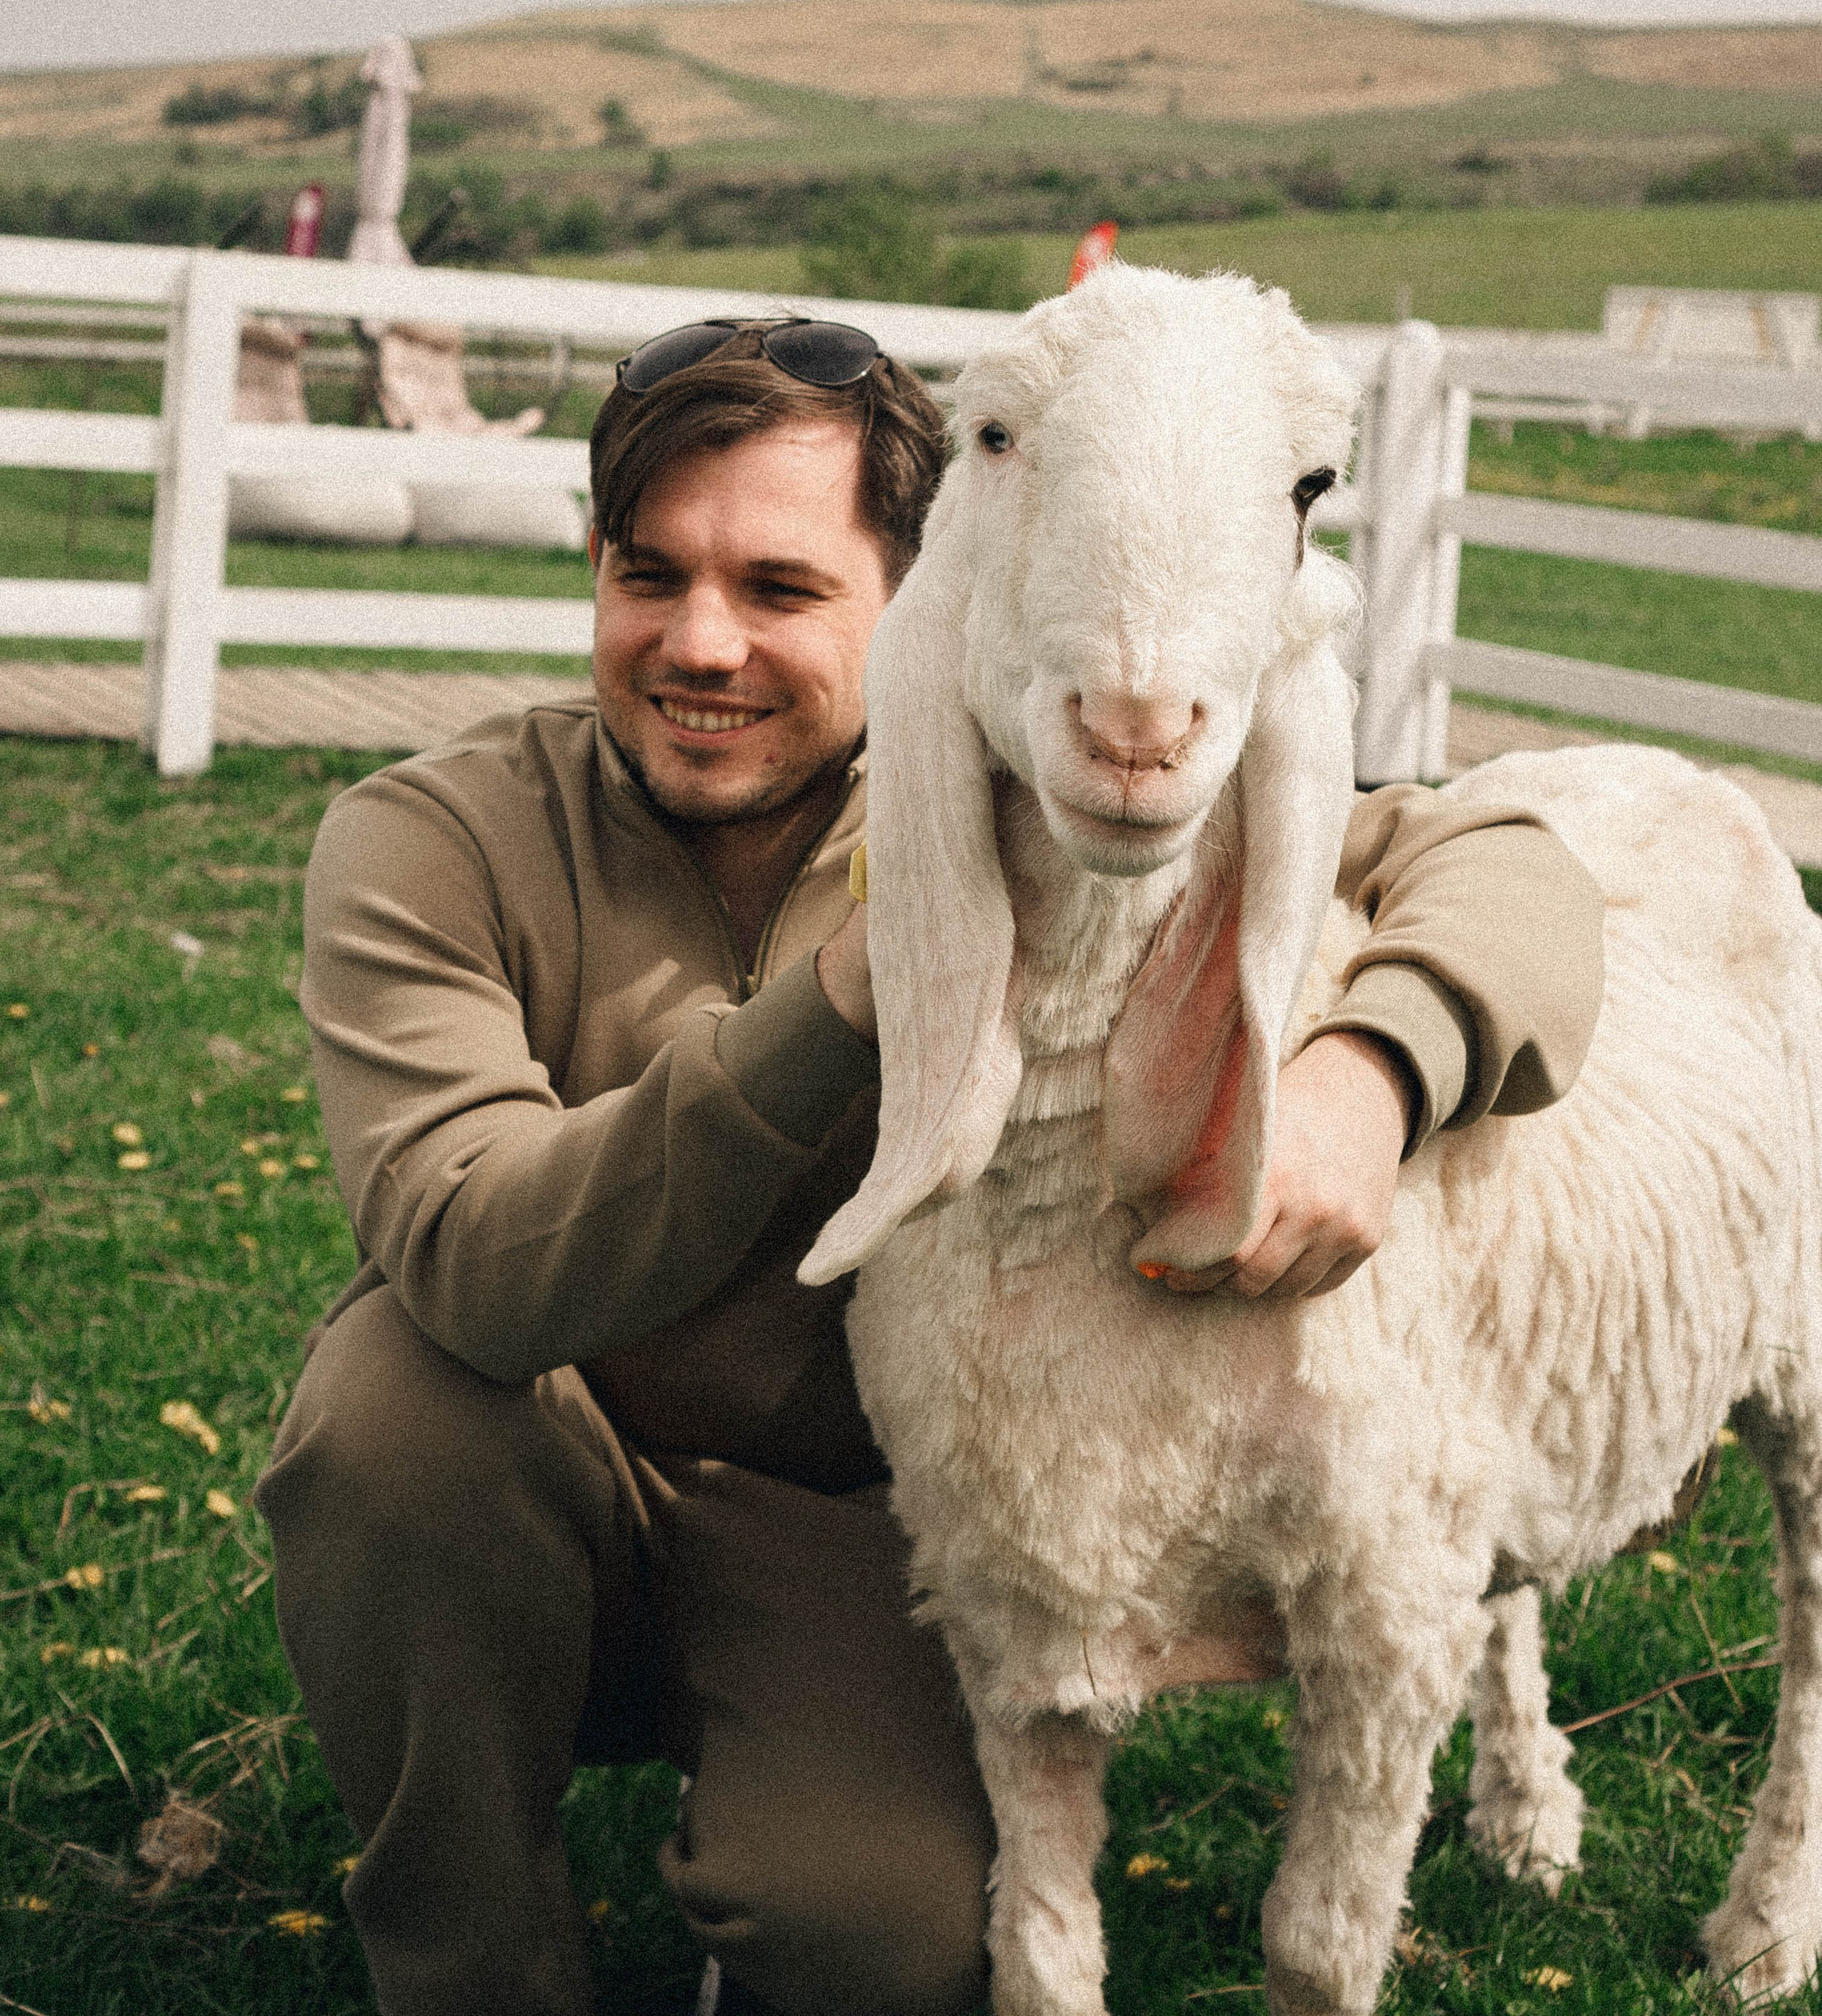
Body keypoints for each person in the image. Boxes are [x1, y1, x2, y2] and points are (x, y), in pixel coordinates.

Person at [255, 317, 1605, 2016]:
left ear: (915, 591)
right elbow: (475, 1261)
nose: (701, 643)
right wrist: (853, 987)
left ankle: (795, 1834)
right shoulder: (433, 839)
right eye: (648, 574)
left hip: (853, 1526)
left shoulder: (1029, 786)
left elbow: (1509, 870)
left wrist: (1374, 1070)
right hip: (534, 1472)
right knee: (390, 1399)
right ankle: (476, 1969)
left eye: (780, 588)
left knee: (878, 1944)